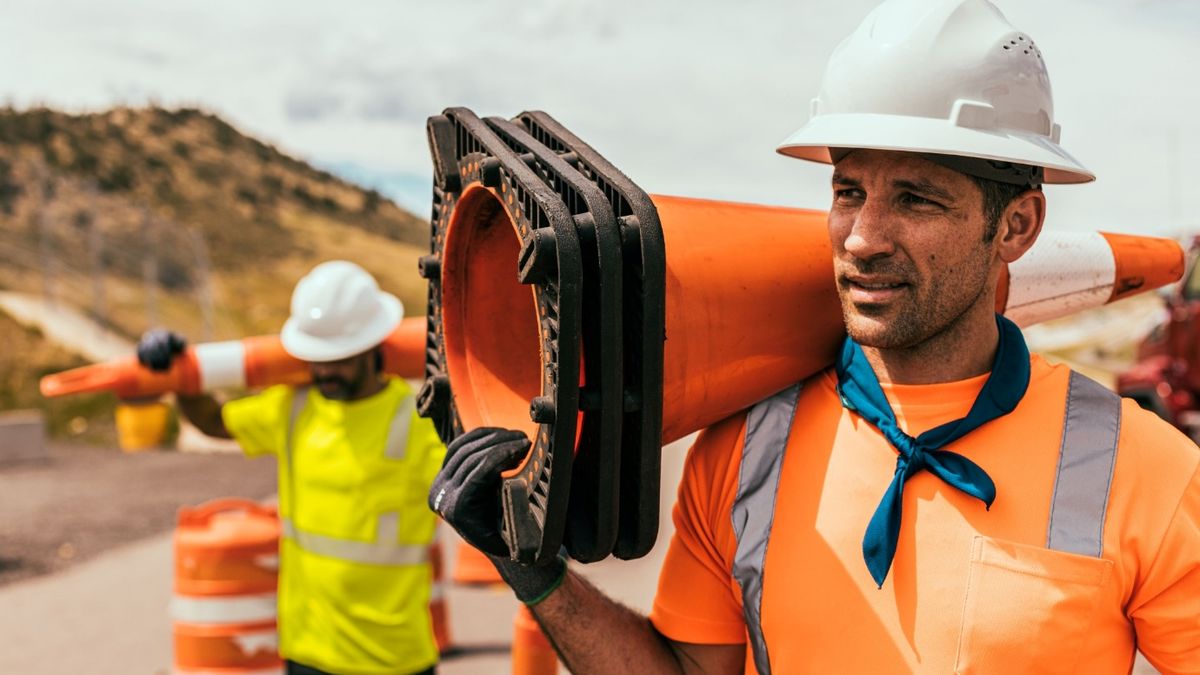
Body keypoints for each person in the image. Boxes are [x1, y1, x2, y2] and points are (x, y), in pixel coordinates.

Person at [428, 1, 1200, 673]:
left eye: (916, 199)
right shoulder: (742, 451)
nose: (863, 237)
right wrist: (539, 578)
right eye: (848, 190)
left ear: (1017, 226)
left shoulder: (1146, 470)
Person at [140, 260, 445, 675]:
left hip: (395, 659)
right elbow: (214, 421)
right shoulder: (294, 406)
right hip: (306, 652)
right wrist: (180, 372)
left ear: (373, 345)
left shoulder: (419, 423)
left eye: (338, 359)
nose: (324, 370)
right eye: (317, 358)